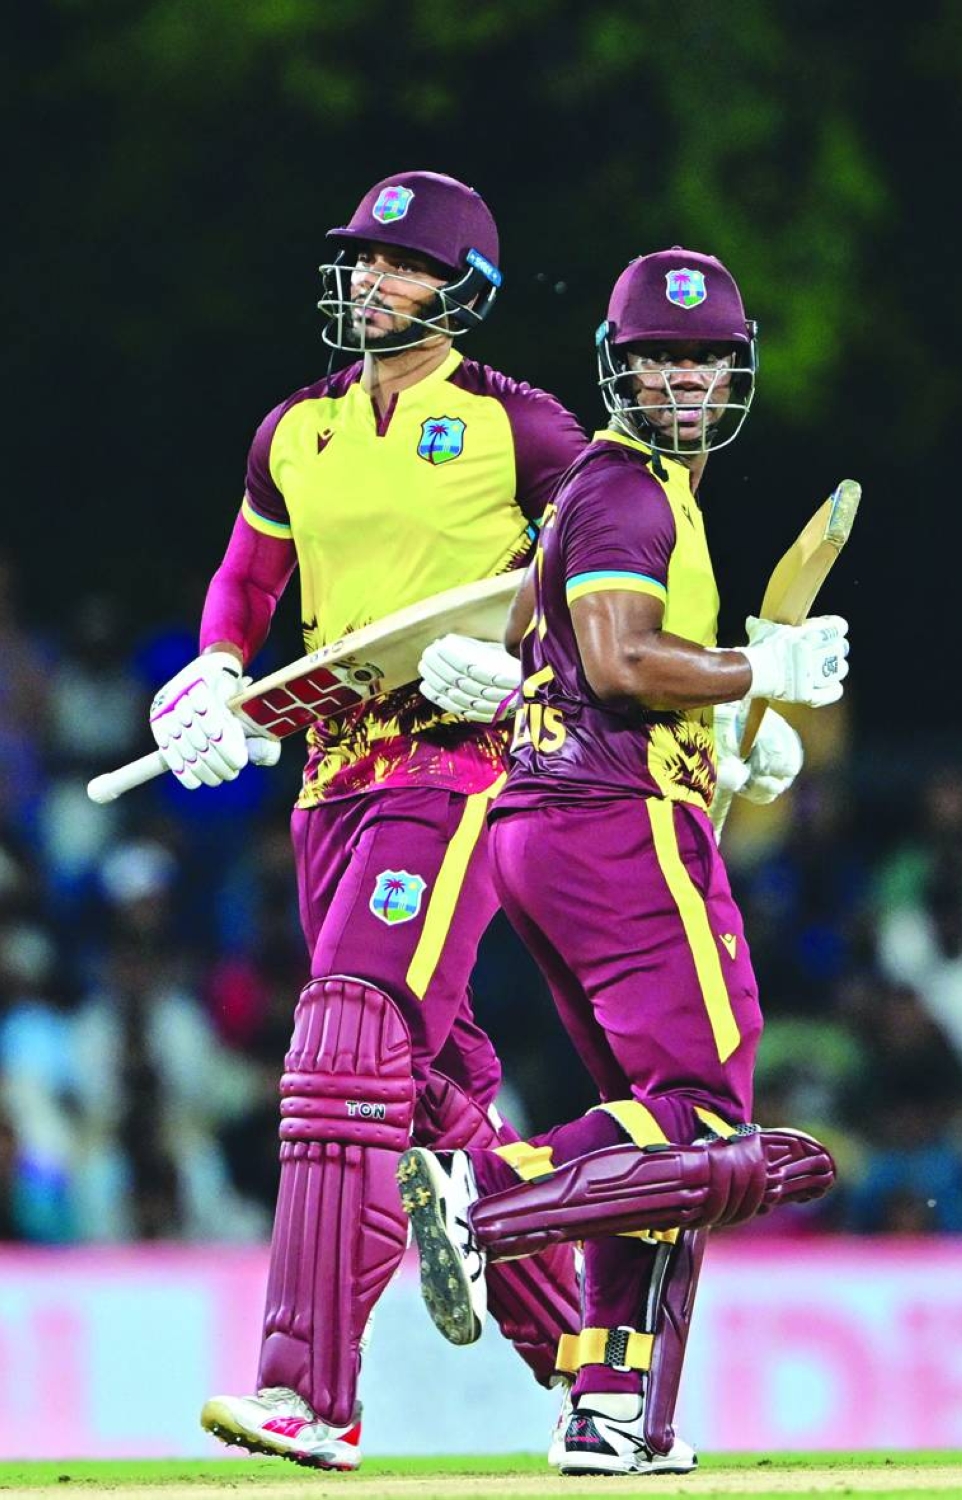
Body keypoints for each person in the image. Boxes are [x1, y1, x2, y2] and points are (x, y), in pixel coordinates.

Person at [147, 171, 589, 1470]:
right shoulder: (294, 431)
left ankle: (312, 1391)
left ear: (463, 290)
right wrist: (220, 674)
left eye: (394, 265)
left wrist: (529, 658)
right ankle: (598, 1368)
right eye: (357, 262)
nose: (365, 283)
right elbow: (246, 581)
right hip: (332, 775)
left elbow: (608, 569)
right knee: (440, 1098)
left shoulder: (527, 427)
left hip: (460, 767)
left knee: (344, 1041)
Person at [398, 247, 845, 1475]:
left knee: (651, 1145)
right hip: (617, 826)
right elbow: (616, 658)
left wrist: (730, 748)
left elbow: (606, 669)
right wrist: (768, 672)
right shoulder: (624, 490)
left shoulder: (628, 495)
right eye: (662, 356)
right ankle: (482, 1193)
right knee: (703, 1119)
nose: (685, 379)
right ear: (619, 364)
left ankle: (611, 1408)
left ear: (733, 368)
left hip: (560, 822)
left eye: (705, 358)